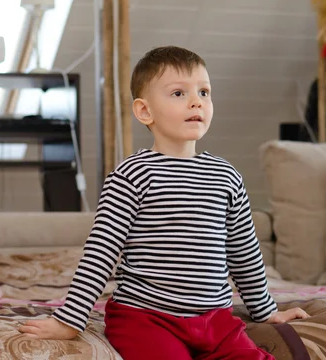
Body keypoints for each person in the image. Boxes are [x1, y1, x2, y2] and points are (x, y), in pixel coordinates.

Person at [18, 46, 309, 359]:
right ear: (145, 111)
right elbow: (101, 252)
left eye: (204, 91)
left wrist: (266, 312)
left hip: (215, 321)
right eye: (178, 93)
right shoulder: (133, 174)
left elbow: (244, 252)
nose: (197, 101)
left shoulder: (226, 176)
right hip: (145, 318)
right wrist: (70, 320)